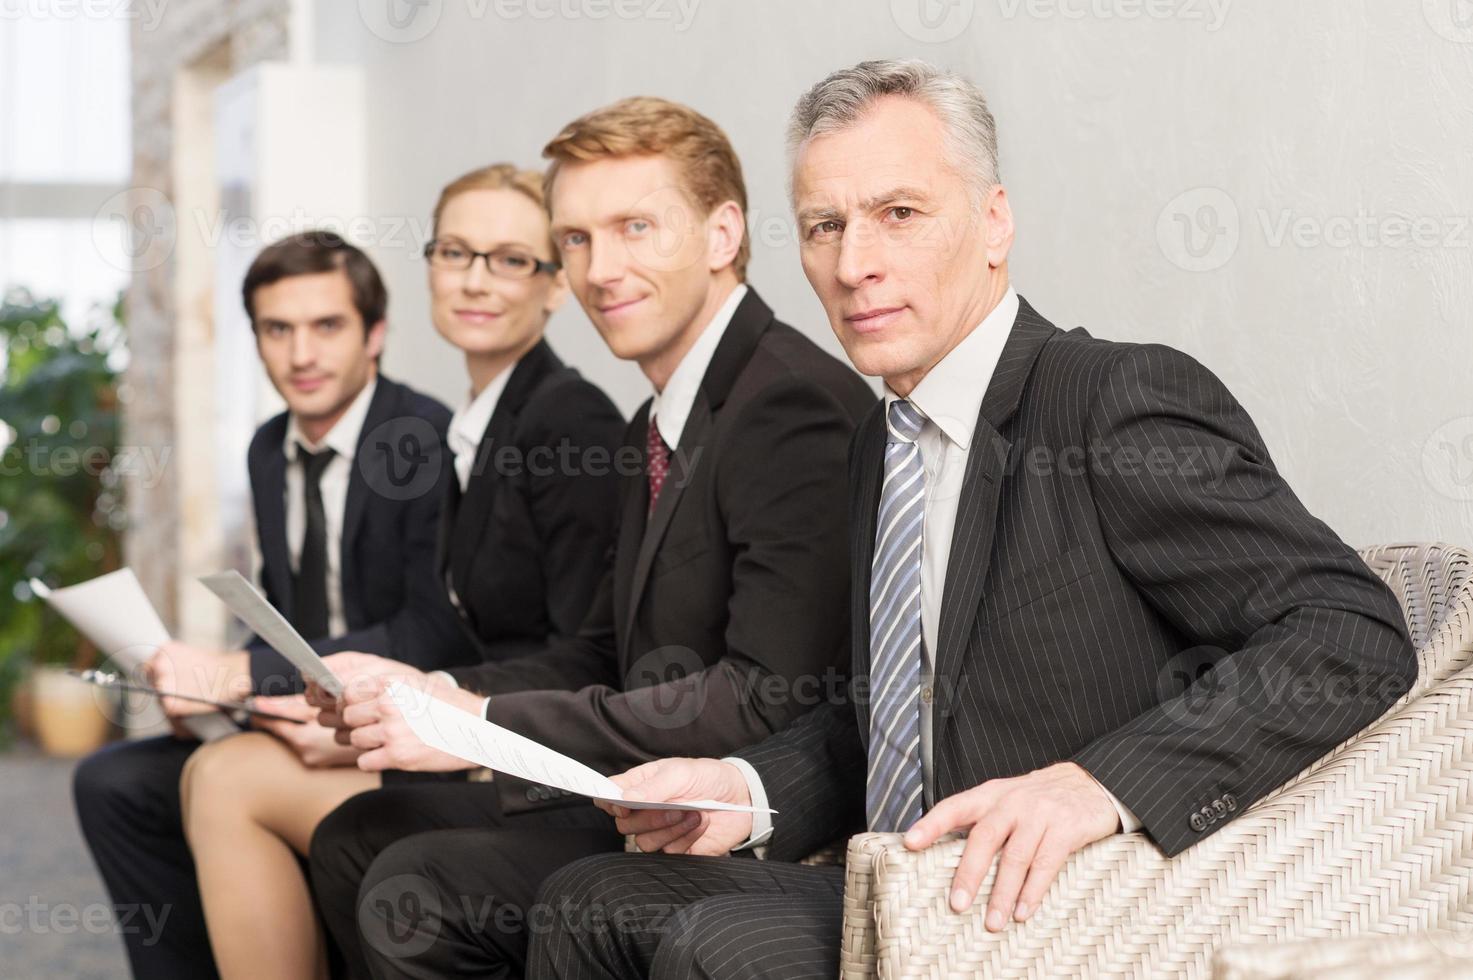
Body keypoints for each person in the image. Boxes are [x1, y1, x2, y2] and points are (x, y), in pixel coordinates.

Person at [525, 59, 1419, 980]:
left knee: (706, 945)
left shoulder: (1110, 401)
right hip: (904, 882)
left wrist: (1100, 786)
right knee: (587, 898)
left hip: (1062, 901)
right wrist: (744, 789)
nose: (852, 263)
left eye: (898, 214)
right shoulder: (880, 443)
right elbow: (890, 714)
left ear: (994, 221)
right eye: (824, 226)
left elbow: (1346, 630)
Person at [304, 96, 876, 978]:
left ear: (722, 234)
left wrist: (480, 723)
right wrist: (434, 690)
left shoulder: (787, 404)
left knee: (415, 881)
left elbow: (770, 695)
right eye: (575, 239)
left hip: (750, 811)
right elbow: (601, 651)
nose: (600, 268)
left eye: (634, 227)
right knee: (358, 834)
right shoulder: (655, 418)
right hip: (639, 783)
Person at [174, 164, 627, 980]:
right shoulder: (481, 426)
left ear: (556, 284)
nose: (474, 279)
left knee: (225, 780)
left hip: (536, 766)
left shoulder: (568, 417)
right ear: (428, 267)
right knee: (208, 771)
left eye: (510, 259)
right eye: (455, 252)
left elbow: (593, 655)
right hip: (458, 726)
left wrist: (432, 705)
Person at [72, 230, 473, 980]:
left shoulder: (419, 439)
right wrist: (225, 696)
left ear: (374, 334)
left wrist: (250, 676)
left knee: (219, 780)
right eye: (277, 330)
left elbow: (434, 628)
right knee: (112, 782)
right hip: (296, 717)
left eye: (327, 326)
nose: (301, 354)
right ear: (255, 338)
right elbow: (294, 618)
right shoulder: (267, 449)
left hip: (395, 727)